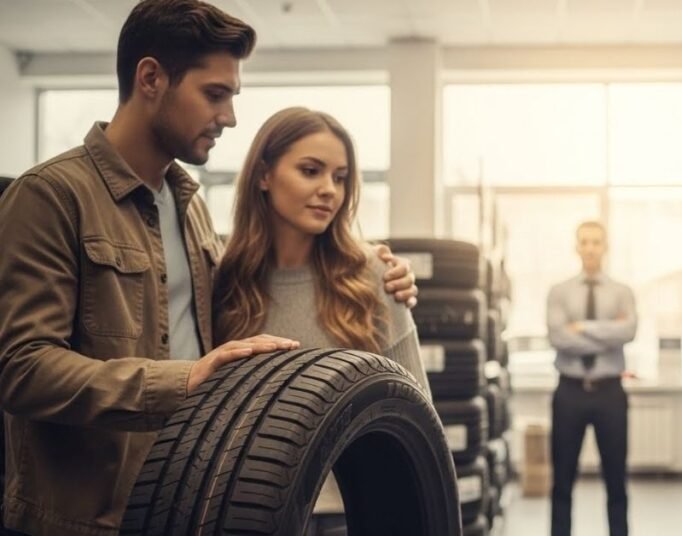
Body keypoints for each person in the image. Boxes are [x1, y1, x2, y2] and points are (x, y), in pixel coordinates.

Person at [0, 2, 416, 534]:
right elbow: (21, 367)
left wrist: (371, 263)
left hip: (182, 502)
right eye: (214, 94)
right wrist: (182, 382)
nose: (229, 117)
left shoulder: (190, 204)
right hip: (84, 518)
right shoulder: (51, 197)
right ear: (151, 78)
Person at [213, 106, 432, 527]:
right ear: (263, 175)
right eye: (311, 171)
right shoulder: (224, 283)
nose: (329, 189)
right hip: (247, 514)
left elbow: (420, 423)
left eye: (340, 176)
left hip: (351, 514)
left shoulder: (375, 276)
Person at [546, 221, 637, 536]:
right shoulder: (559, 292)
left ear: (605, 246)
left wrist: (582, 327)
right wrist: (608, 332)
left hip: (610, 393)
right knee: (562, 481)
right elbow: (558, 338)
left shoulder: (622, 292)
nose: (590, 248)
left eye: (596, 242)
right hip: (569, 393)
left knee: (616, 480)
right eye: (584, 242)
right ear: (576, 246)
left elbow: (629, 331)